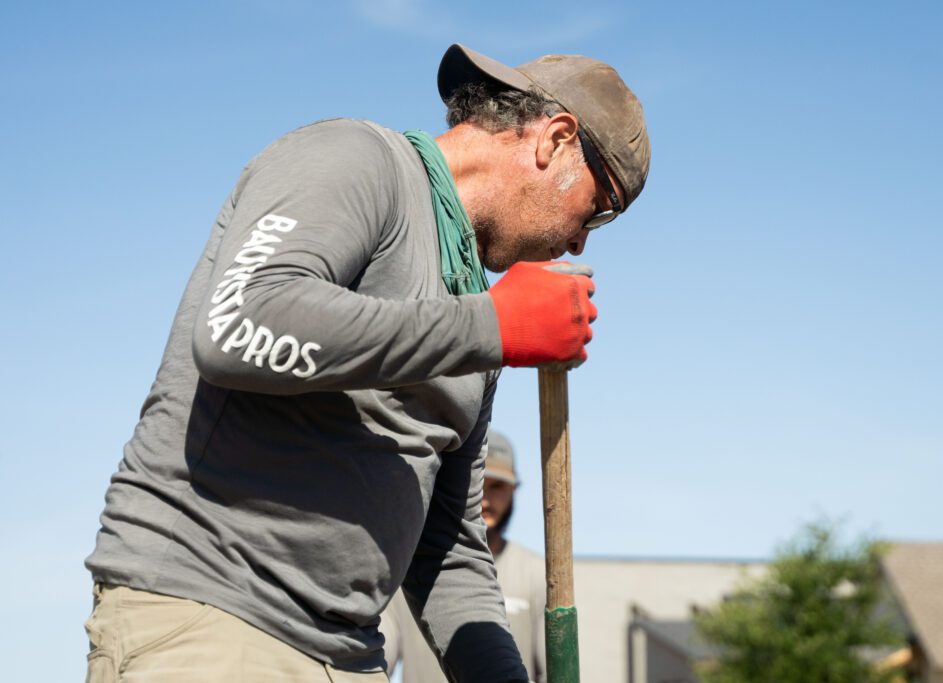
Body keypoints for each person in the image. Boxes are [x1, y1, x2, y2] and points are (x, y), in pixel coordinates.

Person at [83, 43, 649, 682]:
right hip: (216, 615)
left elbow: (448, 551)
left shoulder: (470, 313)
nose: (578, 241)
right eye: (597, 210)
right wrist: (494, 325)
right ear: (555, 140)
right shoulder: (356, 160)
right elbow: (237, 328)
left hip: (351, 656)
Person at [381, 430, 546, 682]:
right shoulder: (406, 570)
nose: (486, 500)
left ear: (514, 490)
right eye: (478, 485)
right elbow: (379, 659)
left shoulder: (537, 575)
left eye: (498, 486)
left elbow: (551, 669)